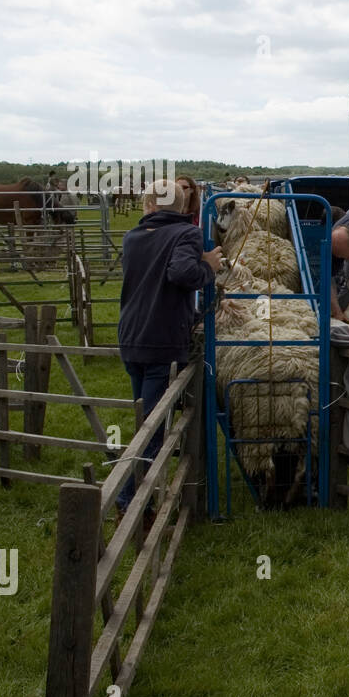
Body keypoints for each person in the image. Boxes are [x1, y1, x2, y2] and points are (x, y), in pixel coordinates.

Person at [117, 181, 222, 521]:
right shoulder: (185, 235)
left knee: (144, 418)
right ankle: (127, 498)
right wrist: (208, 266)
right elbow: (181, 273)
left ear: (148, 203)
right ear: (182, 207)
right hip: (161, 341)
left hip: (131, 337)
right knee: (153, 427)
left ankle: (139, 497)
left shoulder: (132, 238)